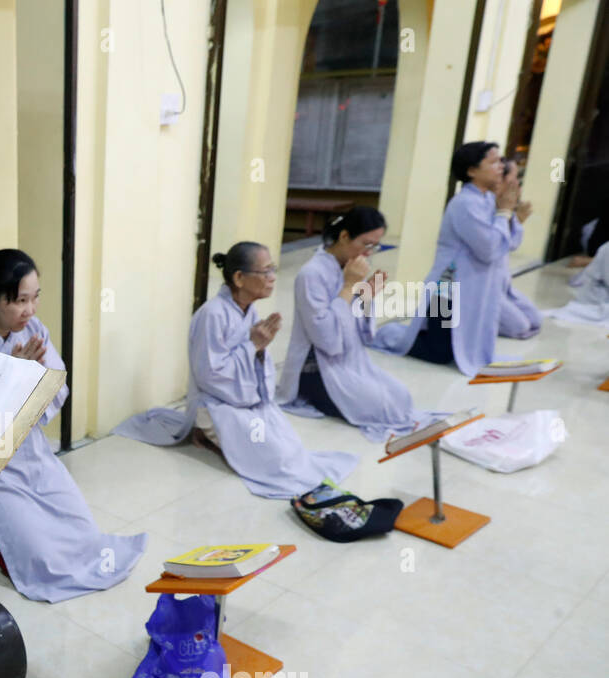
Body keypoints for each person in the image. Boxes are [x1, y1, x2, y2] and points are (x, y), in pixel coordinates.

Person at [0, 246, 147, 602]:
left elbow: (58, 387)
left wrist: (30, 378)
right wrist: (12, 378)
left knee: (85, 535)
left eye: (34, 298)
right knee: (41, 557)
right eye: (19, 301)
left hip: (29, 451)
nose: (30, 310)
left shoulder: (33, 329)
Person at [114, 242, 357, 499]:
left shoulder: (249, 311)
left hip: (245, 400)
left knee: (291, 449)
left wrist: (260, 350)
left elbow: (254, 365)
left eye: (273, 269)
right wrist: (253, 345)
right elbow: (210, 375)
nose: (273, 277)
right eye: (265, 271)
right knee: (274, 460)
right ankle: (205, 432)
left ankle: (220, 439)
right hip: (218, 405)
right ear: (239, 278)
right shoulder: (212, 315)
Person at [277, 206, 424, 442]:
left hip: (349, 360)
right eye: (366, 244)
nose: (369, 253)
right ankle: (311, 392)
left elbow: (357, 326)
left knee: (401, 396)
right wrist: (349, 287)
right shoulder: (311, 274)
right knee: (381, 407)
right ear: (344, 236)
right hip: (318, 368)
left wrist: (367, 295)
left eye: (375, 246)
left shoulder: (351, 266)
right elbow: (325, 337)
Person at [374, 141, 516, 375]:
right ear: (471, 171)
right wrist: (504, 213)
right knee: (439, 353)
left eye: (500, 161)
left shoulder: (489, 200)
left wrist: (510, 214)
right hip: (447, 290)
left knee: (465, 345)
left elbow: (508, 243)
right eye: (492, 162)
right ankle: (388, 333)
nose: (500, 166)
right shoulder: (464, 204)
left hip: (474, 289)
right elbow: (489, 249)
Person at [493, 158, 542, 339]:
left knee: (536, 320)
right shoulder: (483, 205)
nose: (517, 186)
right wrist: (507, 214)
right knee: (519, 327)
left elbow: (511, 244)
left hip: (502, 286)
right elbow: (492, 246)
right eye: (514, 179)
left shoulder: (504, 207)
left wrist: (516, 219)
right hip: (480, 287)